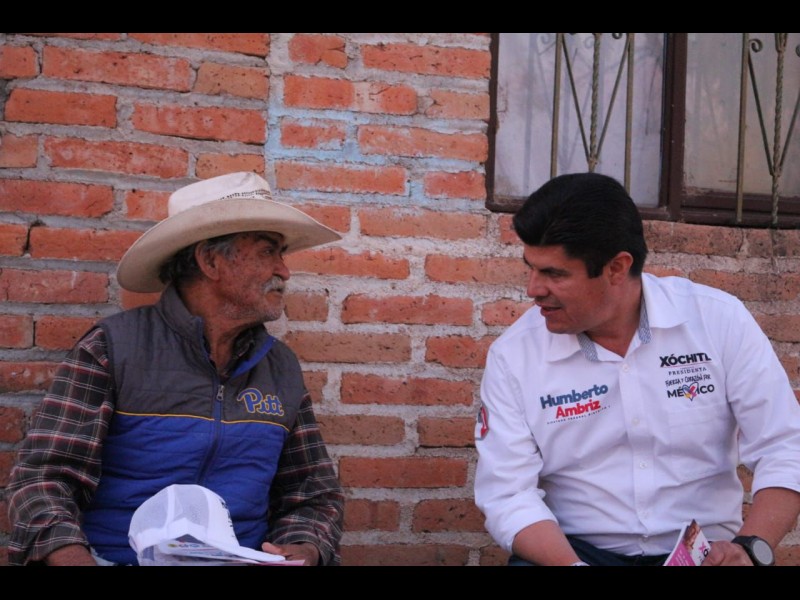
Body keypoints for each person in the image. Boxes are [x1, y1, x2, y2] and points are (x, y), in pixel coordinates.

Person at [7, 171, 345, 566]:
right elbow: (43, 479)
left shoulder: (279, 367)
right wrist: (70, 556)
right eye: (268, 251)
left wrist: (304, 546)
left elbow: (313, 493)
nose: (284, 271)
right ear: (210, 260)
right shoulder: (112, 349)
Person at [474, 172, 800, 566]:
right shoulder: (514, 356)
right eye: (531, 268)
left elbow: (784, 445)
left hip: (705, 554)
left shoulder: (718, 321)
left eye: (555, 274)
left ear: (617, 267)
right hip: (574, 552)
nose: (533, 289)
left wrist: (749, 549)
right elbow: (508, 493)